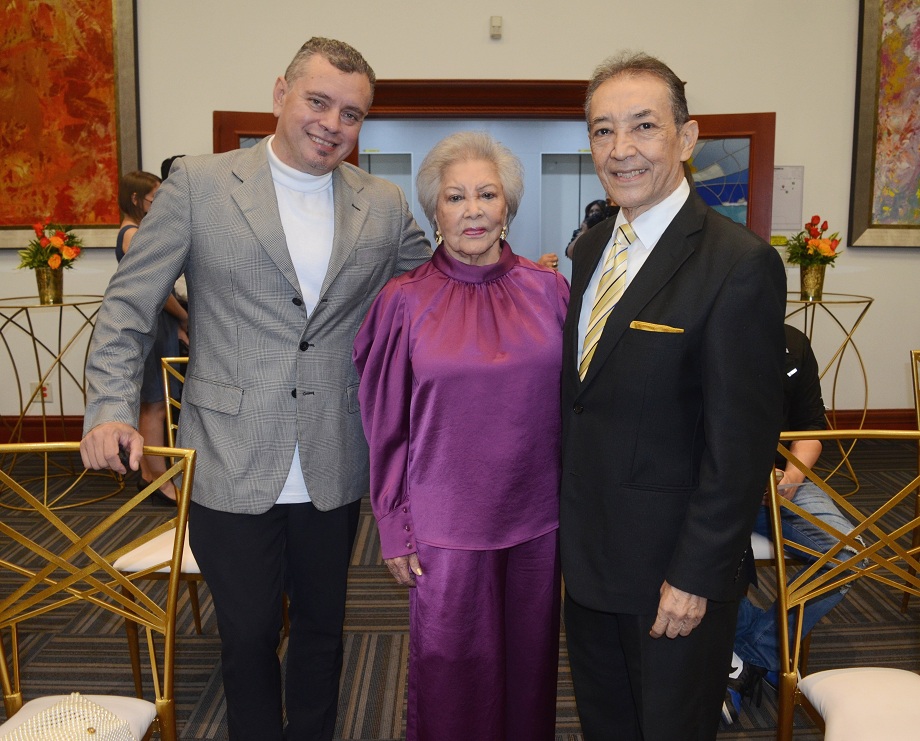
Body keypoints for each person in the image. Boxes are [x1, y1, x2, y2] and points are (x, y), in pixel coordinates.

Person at [80, 37, 431, 740]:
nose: (333, 124)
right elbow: (128, 304)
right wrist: (109, 408)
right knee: (245, 637)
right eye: (319, 101)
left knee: (324, 634)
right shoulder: (200, 186)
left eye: (353, 114)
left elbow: (435, 293)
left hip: (334, 452)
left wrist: (512, 282)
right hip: (230, 454)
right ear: (281, 93)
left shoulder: (384, 203)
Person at [559, 51, 787, 740]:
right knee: (607, 725)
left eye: (643, 127)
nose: (620, 150)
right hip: (592, 562)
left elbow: (739, 445)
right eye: (602, 130)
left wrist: (694, 574)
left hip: (671, 577)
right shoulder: (590, 248)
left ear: (686, 138)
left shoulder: (739, 263)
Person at [353, 131, 569, 741]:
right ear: (434, 211)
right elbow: (384, 422)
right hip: (445, 527)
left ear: (507, 207)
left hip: (537, 520)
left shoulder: (549, 291)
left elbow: (576, 409)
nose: (473, 210)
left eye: (486, 194)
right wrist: (393, 525)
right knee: (452, 679)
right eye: (455, 197)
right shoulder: (404, 301)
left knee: (530, 677)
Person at [723, 323, 858, 721]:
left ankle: (750, 655)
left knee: (848, 557)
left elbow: (812, 427)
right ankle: (745, 652)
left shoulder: (792, 343)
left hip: (784, 483)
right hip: (716, 486)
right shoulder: (706, 329)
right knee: (700, 555)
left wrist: (793, 479)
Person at [115, 170, 188, 504]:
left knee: (157, 403)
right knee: (155, 405)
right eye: (152, 198)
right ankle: (155, 478)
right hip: (154, 325)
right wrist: (184, 316)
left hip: (161, 326)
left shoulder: (140, 231)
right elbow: (158, 292)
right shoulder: (132, 235)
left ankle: (153, 474)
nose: (157, 204)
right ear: (135, 199)